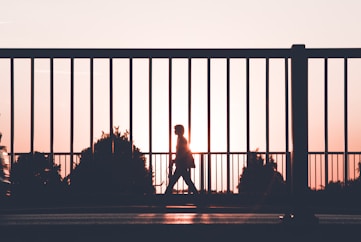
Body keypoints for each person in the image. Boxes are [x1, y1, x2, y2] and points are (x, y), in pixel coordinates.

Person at [165, 124, 198, 195]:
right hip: (182, 163)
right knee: (186, 180)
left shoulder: (181, 140)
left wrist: (175, 160)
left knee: (175, 180)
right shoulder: (181, 139)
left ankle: (165, 196)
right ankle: (197, 195)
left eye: (176, 130)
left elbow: (182, 152)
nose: (174, 131)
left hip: (181, 164)